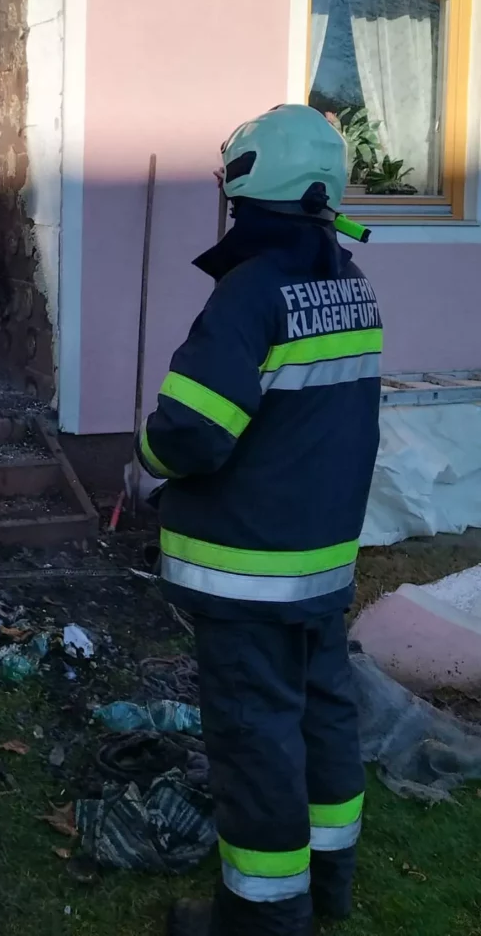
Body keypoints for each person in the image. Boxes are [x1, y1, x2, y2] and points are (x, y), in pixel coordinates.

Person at [131, 105, 382, 936]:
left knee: (255, 737)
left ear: (242, 182)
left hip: (248, 571)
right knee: (322, 713)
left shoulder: (251, 294)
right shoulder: (346, 282)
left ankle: (263, 916)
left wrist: (142, 463)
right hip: (320, 563)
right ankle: (330, 879)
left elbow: (192, 431)